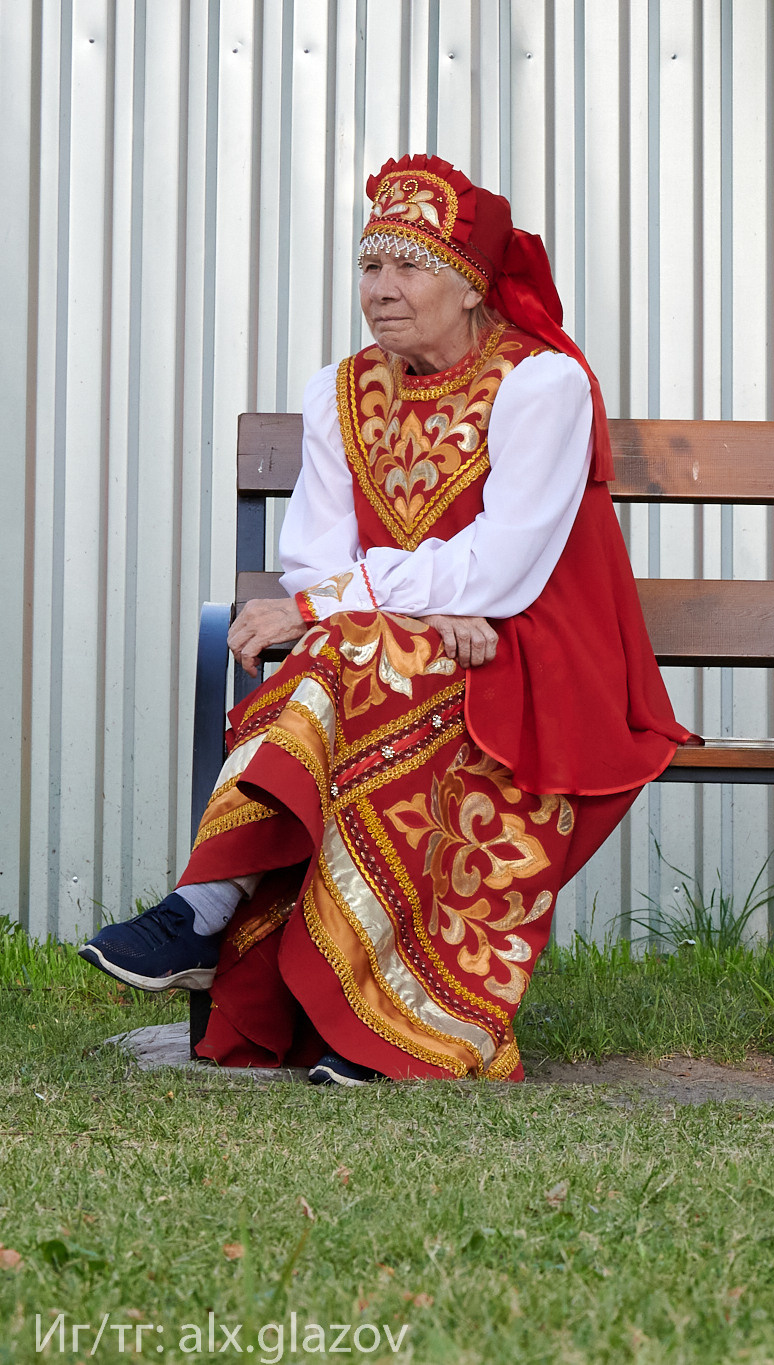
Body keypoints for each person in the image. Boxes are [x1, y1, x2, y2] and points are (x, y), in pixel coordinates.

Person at [79, 155, 697, 1084]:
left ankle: (207, 908)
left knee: (361, 655)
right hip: (415, 645)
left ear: (471, 284)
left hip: (534, 649)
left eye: (410, 267)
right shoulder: (340, 389)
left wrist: (385, 603)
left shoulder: (544, 386)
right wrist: (424, 608)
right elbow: (315, 557)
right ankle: (368, 1016)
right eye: (371, 267)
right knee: (377, 659)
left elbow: (505, 565)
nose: (382, 291)